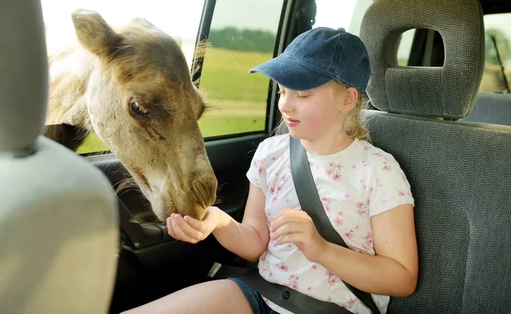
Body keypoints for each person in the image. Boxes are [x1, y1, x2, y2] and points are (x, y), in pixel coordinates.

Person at [122, 27, 418, 314]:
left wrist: (322, 250)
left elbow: (401, 279)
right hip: (262, 292)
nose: (286, 106)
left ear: (348, 99)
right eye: (282, 91)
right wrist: (216, 221)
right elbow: (255, 244)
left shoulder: (378, 170)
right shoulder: (270, 153)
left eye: (302, 96)